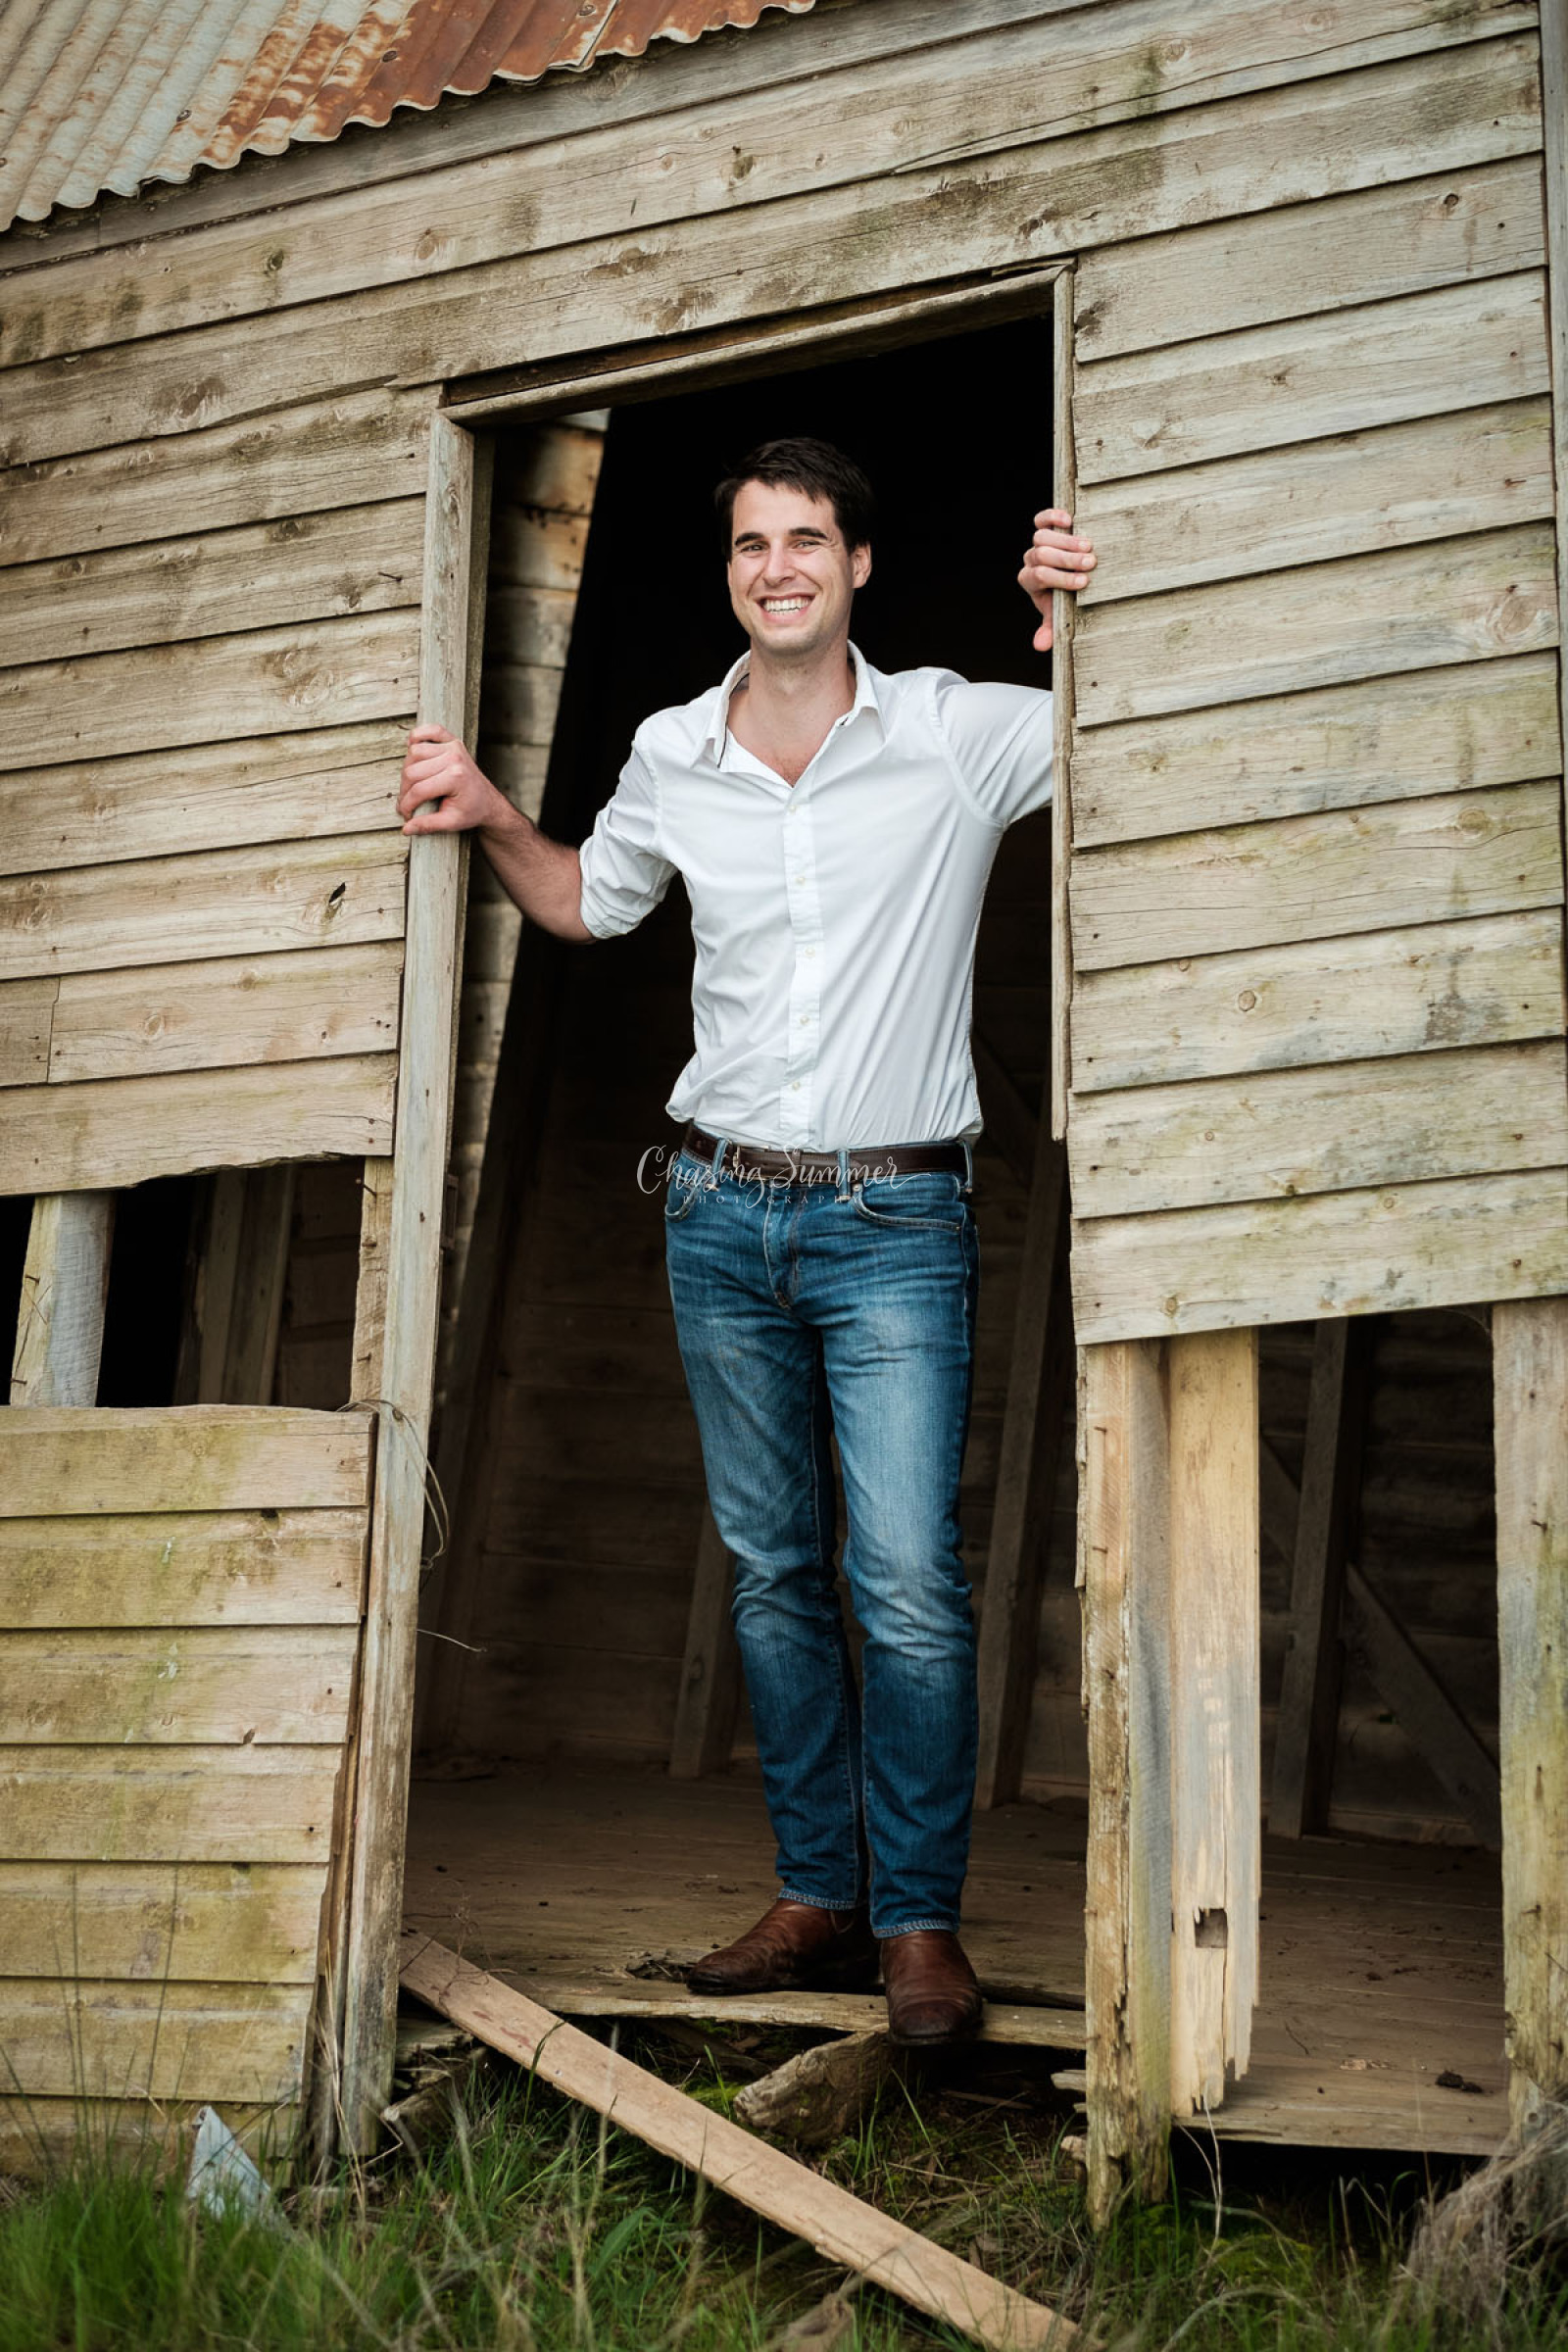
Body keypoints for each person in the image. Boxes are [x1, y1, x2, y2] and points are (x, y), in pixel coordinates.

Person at [398, 437, 1096, 2046]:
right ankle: (817, 1895)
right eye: (751, 545)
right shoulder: (672, 750)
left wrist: (1079, 625)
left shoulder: (955, 734)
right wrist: (493, 813)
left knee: (905, 1581)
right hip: (716, 1215)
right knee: (777, 1577)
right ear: (732, 573)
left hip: (892, 1217)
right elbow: (590, 904)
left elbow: (1145, 727)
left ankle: (917, 1923)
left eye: (807, 540)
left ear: (859, 565)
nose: (778, 567)